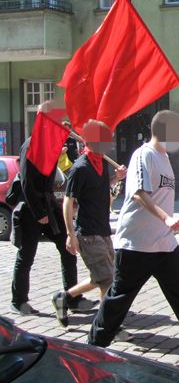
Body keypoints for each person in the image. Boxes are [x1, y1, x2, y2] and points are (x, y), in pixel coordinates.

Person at [87, 110, 179, 363]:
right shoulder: (144, 155)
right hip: (137, 243)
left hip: (164, 244)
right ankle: (94, 347)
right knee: (119, 298)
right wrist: (166, 218)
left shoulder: (165, 157)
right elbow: (139, 194)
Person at [9, 101, 96, 316]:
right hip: (32, 209)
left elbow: (64, 170)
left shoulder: (50, 145)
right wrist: (39, 214)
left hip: (49, 207)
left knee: (68, 248)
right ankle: (18, 300)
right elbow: (27, 184)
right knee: (26, 255)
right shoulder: (31, 146)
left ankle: (72, 297)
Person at [53, 120, 129, 333]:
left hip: (103, 229)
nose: (110, 142)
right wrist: (71, 234)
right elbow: (68, 201)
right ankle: (108, 327)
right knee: (107, 280)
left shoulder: (100, 163)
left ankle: (64, 297)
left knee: (102, 276)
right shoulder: (81, 167)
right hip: (87, 232)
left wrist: (116, 178)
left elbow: (101, 187)